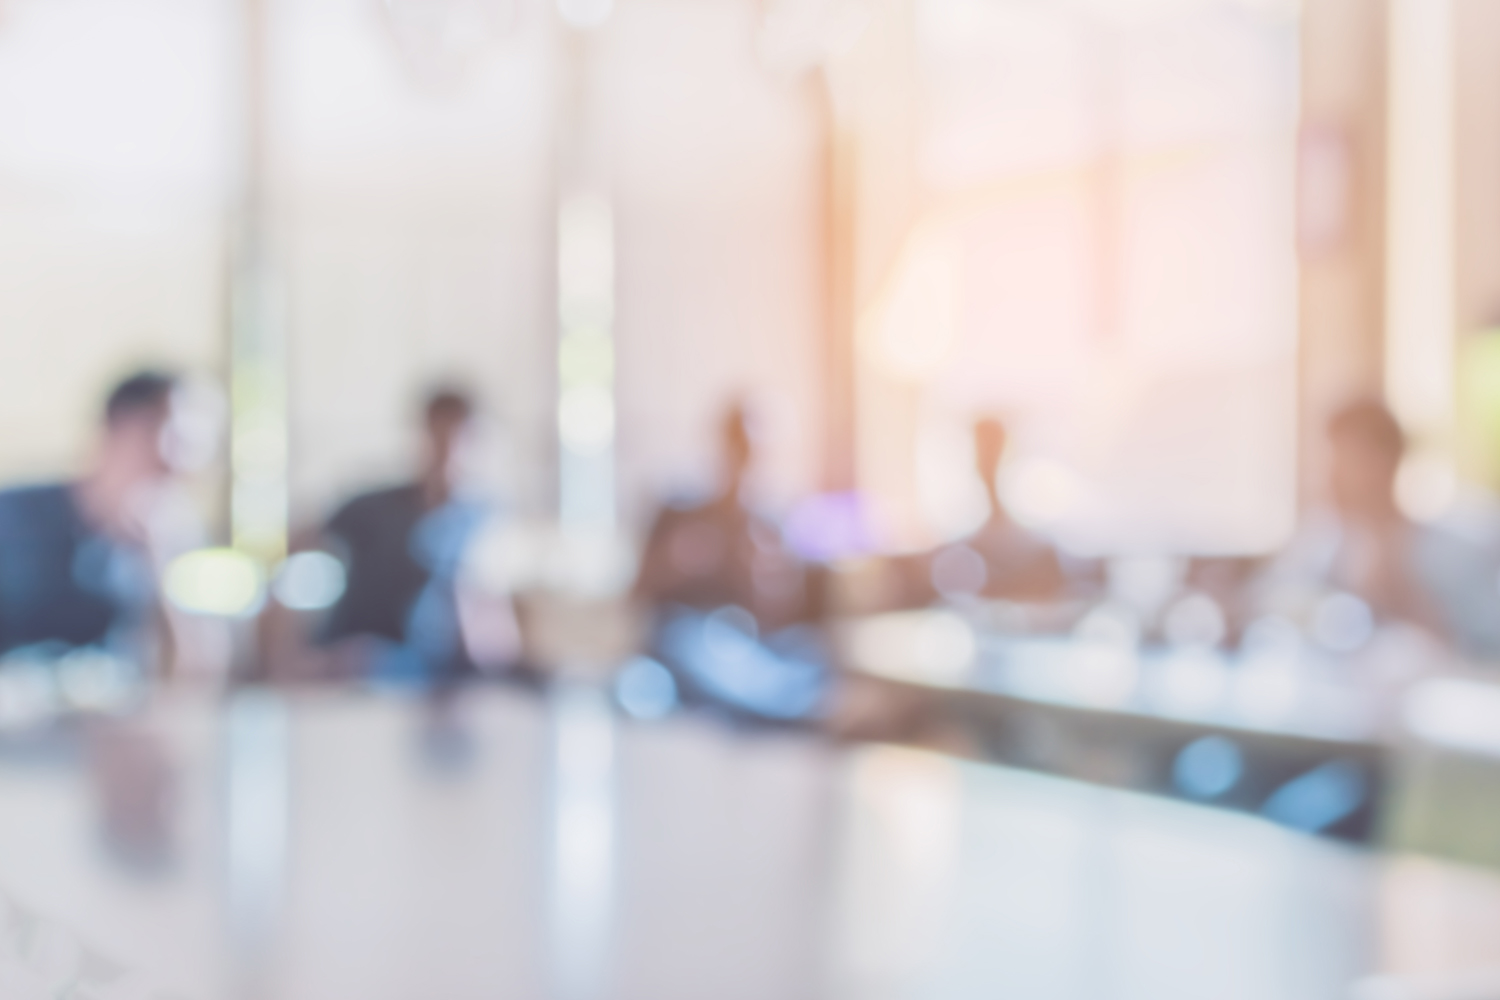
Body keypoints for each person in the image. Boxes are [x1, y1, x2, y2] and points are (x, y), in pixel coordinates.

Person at [1257, 399, 1500, 654]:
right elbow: (1271, 605)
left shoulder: (1453, 553)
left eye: (1345, 459)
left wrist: (1401, 592)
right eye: (1327, 460)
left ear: (1388, 461)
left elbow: (1484, 650)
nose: (1330, 475)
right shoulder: (1320, 545)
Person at [630, 403, 825, 721]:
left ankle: (800, 704)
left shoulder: (766, 523)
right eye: (739, 445)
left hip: (748, 644)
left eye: (753, 450)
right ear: (721, 444)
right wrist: (679, 561)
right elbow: (636, 593)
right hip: (689, 634)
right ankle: (793, 712)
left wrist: (762, 576)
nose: (745, 459)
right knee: (704, 656)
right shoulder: (679, 509)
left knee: (810, 653)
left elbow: (780, 615)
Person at [312, 387, 517, 687]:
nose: (448, 451)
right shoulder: (370, 508)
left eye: (457, 438)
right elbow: (300, 545)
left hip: (442, 670)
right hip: (365, 659)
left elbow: (496, 639)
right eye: (438, 435)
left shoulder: (486, 520)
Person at [0, 371, 188, 668]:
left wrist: (159, 564)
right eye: (175, 435)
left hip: (112, 710)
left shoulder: (166, 538)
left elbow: (192, 675)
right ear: (120, 427)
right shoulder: (12, 516)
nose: (182, 461)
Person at [935, 416, 1066, 602]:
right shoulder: (958, 540)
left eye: (992, 449)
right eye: (981, 450)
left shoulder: (1039, 535)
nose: (986, 462)